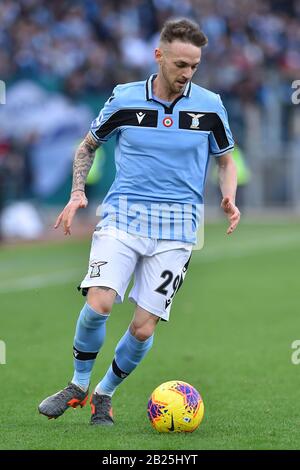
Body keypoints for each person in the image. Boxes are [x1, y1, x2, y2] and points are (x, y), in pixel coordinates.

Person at [38, 18, 240, 425]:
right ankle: (78, 384)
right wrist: (78, 192)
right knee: (100, 303)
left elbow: (226, 158)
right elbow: (88, 145)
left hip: (179, 229)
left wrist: (229, 195)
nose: (187, 74)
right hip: (123, 218)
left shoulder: (210, 105)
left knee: (144, 329)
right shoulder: (125, 99)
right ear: (159, 56)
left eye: (194, 66)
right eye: (181, 64)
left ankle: (104, 394)